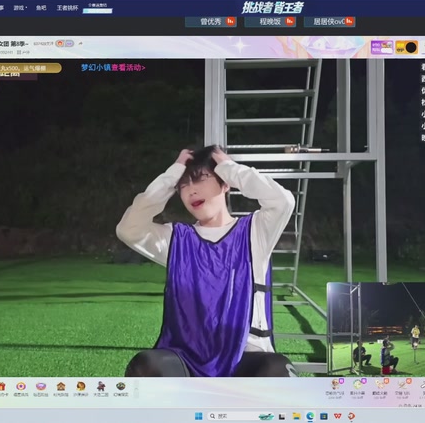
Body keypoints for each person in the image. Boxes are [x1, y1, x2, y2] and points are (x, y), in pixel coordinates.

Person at [117, 146, 297, 377]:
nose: (191, 190)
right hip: (186, 359)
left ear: (224, 183)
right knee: (147, 366)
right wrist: (172, 174)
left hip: (244, 358)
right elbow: (128, 228)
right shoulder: (176, 239)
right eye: (183, 185)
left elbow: (283, 201)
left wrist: (230, 168)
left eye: (201, 178)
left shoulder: (255, 231)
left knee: (278, 369)